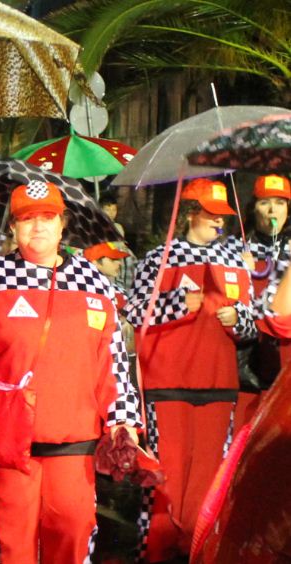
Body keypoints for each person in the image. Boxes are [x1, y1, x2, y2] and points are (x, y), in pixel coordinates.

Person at [0, 181, 141, 563]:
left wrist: (123, 418)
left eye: (47, 217)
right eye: (27, 218)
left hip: (74, 440)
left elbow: (112, 359)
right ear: (13, 226)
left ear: (62, 224)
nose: (38, 227)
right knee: (11, 542)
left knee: (72, 533)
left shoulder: (95, 282)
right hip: (7, 441)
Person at [123, 177, 256, 562]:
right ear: (188, 214)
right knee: (165, 477)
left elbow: (251, 327)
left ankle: (195, 552)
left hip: (219, 385)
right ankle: (155, 553)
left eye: (222, 216)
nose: (219, 222)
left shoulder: (235, 261)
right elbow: (134, 311)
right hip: (167, 384)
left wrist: (239, 319)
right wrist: (178, 304)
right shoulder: (159, 257)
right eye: (211, 214)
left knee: (208, 478)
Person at [232, 174, 291, 429]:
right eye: (265, 202)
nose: (272, 211)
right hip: (248, 361)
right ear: (253, 207)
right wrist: (239, 270)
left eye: (280, 203)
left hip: (284, 356)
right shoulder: (235, 248)